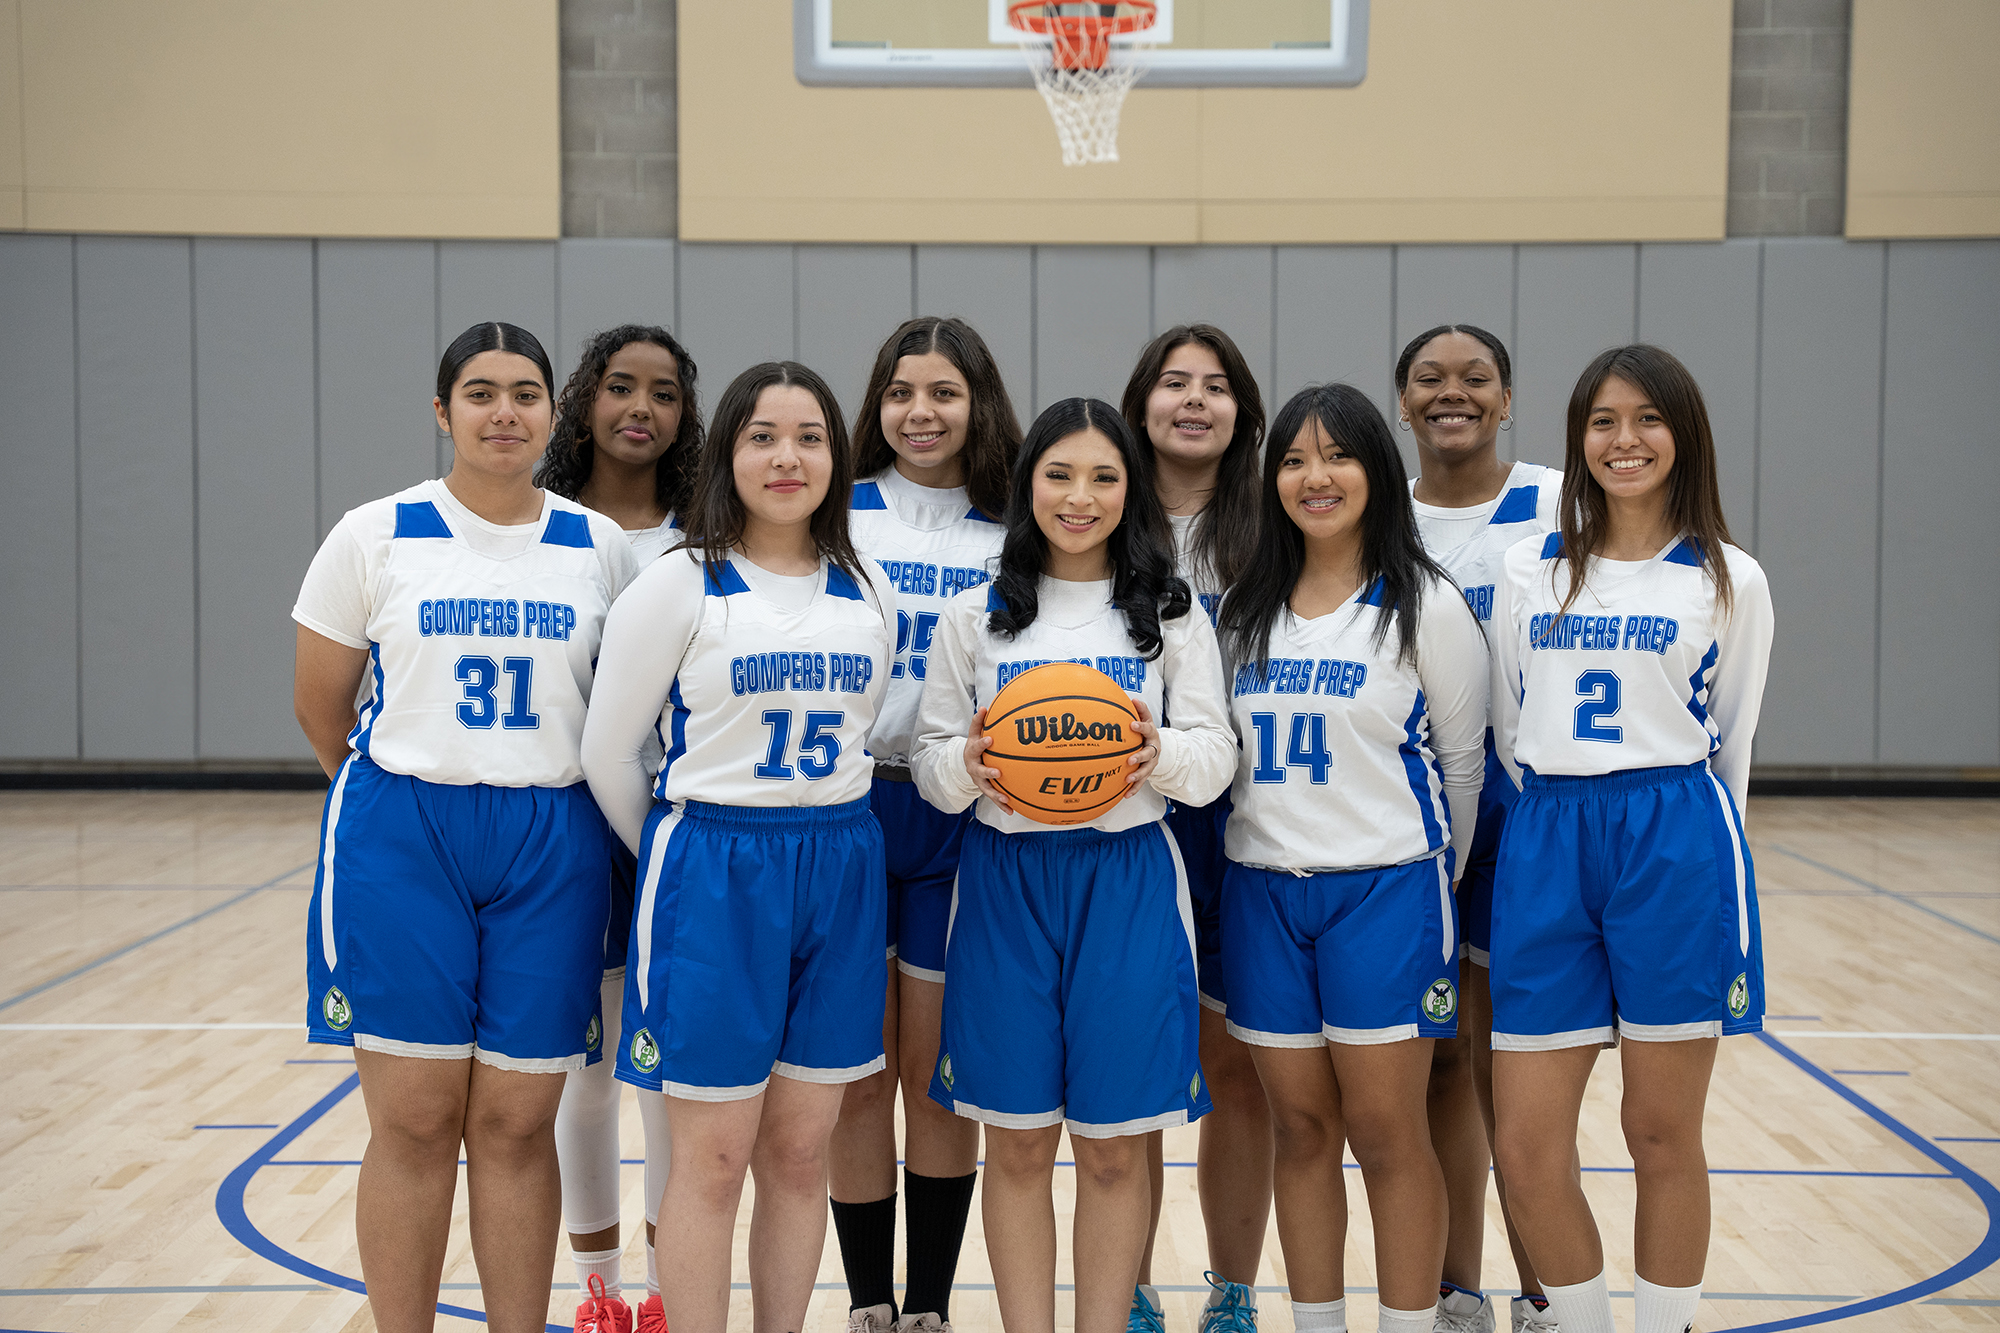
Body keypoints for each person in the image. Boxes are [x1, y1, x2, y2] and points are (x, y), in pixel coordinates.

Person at [292, 321, 639, 1333]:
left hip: (552, 839)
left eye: (525, 393)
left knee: (515, 1120)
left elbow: (624, 708)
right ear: (442, 412)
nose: (504, 412)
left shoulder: (598, 545)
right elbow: (323, 708)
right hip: (407, 833)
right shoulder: (375, 532)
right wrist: (412, 793)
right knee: (412, 1119)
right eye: (480, 393)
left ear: (550, 413)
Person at [580, 360, 898, 1333]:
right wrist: (682, 860)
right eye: (762, 435)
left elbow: (866, 728)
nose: (786, 455)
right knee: (712, 1157)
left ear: (836, 457)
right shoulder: (681, 580)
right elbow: (607, 751)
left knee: (801, 1154)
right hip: (715, 866)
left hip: (840, 863)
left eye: (808, 436)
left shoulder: (863, 582)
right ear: (727, 452)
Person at [912, 397, 1236, 1333]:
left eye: (1103, 476)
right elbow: (933, 766)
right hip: (1005, 886)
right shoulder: (977, 614)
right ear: (1026, 486)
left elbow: (1214, 763)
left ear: (1130, 490)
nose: (1079, 496)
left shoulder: (1170, 614)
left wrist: (1155, 754)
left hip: (1127, 877)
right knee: (1014, 1149)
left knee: (1111, 1153)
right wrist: (966, 764)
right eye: (1058, 474)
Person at [1486, 345, 1773, 1333]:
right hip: (1548, 837)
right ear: (1576, 440)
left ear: (1682, 434)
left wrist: (1679, 836)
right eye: (1601, 420)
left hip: (1671, 839)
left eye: (1647, 418)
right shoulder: (1529, 567)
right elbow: (1504, 721)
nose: (1623, 439)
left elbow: (1729, 742)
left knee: (1657, 1131)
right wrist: (1557, 821)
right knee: (1524, 1148)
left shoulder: (1729, 577)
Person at [1214, 383, 1487, 1333]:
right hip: (1261, 892)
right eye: (1292, 459)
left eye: (1337, 456)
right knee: (1298, 1127)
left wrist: (1421, 877)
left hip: (1387, 893)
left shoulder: (1428, 605)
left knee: (1385, 1131)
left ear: (1378, 468)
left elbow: (1462, 766)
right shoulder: (1244, 608)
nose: (1314, 477)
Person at [830, 316, 1022, 1333]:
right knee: (855, 1074)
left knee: (939, 1075)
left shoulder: (1019, 530)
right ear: (877, 403)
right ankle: (867, 1301)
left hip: (965, 805)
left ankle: (930, 1309)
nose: (920, 411)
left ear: (977, 402)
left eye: (944, 392)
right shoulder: (834, 514)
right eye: (902, 391)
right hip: (850, 804)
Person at [1393, 325, 1562, 1333]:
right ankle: (1458, 1290)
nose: (1450, 393)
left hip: (1524, 807)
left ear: (1506, 400)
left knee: (1519, 1058)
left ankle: (1543, 1289)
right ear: (1402, 402)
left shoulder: (1553, 502)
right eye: (1428, 379)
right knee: (1445, 1056)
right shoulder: (1374, 512)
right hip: (1408, 808)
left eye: (1474, 378)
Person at [539, 323, 705, 1333]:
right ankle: (597, 1291)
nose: (640, 408)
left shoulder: (708, 534)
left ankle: (663, 1289)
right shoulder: (543, 529)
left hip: (678, 825)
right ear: (584, 402)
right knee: (585, 1074)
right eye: (618, 387)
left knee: (664, 1075)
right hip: (568, 825)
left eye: (664, 393)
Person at [1118, 324, 1271, 1333]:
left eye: (1214, 386)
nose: (1191, 400)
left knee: (1233, 1065)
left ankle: (1230, 1290)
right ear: (1139, 404)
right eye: (1172, 382)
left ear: (1241, 413)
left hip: (1250, 822)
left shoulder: (1277, 528)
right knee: (1128, 1067)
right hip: (1127, 819)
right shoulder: (1093, 513)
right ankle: (1123, 1286)